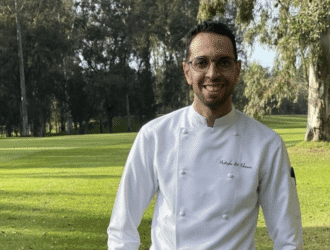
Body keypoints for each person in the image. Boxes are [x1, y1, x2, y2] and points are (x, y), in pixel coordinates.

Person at [107, 20, 303, 250]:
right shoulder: (155, 136)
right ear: (187, 71)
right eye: (201, 63)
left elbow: (288, 238)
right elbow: (122, 227)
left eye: (223, 62)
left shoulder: (267, 145)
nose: (213, 73)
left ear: (237, 70)